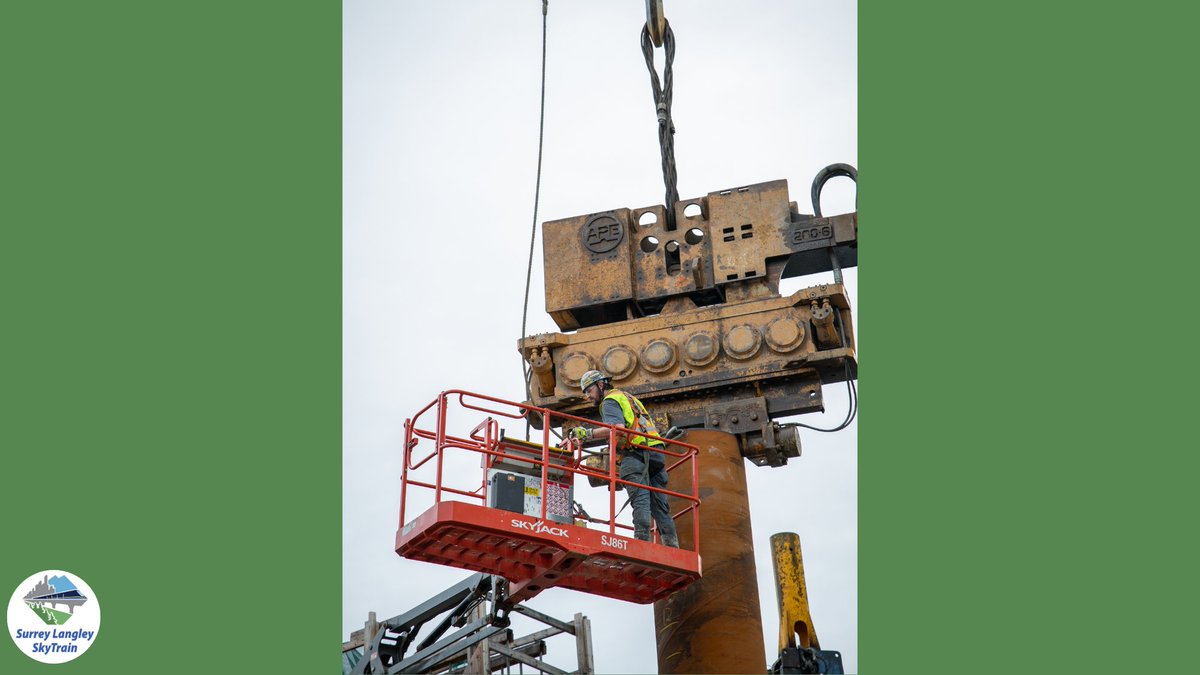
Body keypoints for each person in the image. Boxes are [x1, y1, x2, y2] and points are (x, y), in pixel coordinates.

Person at [575, 369, 679, 547]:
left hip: (635, 452)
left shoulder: (609, 401)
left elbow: (618, 428)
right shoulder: (628, 398)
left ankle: (640, 546)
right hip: (656, 454)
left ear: (601, 385)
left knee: (641, 502)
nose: (587, 396)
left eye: (589, 390)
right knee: (660, 507)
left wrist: (587, 434)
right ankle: (672, 547)